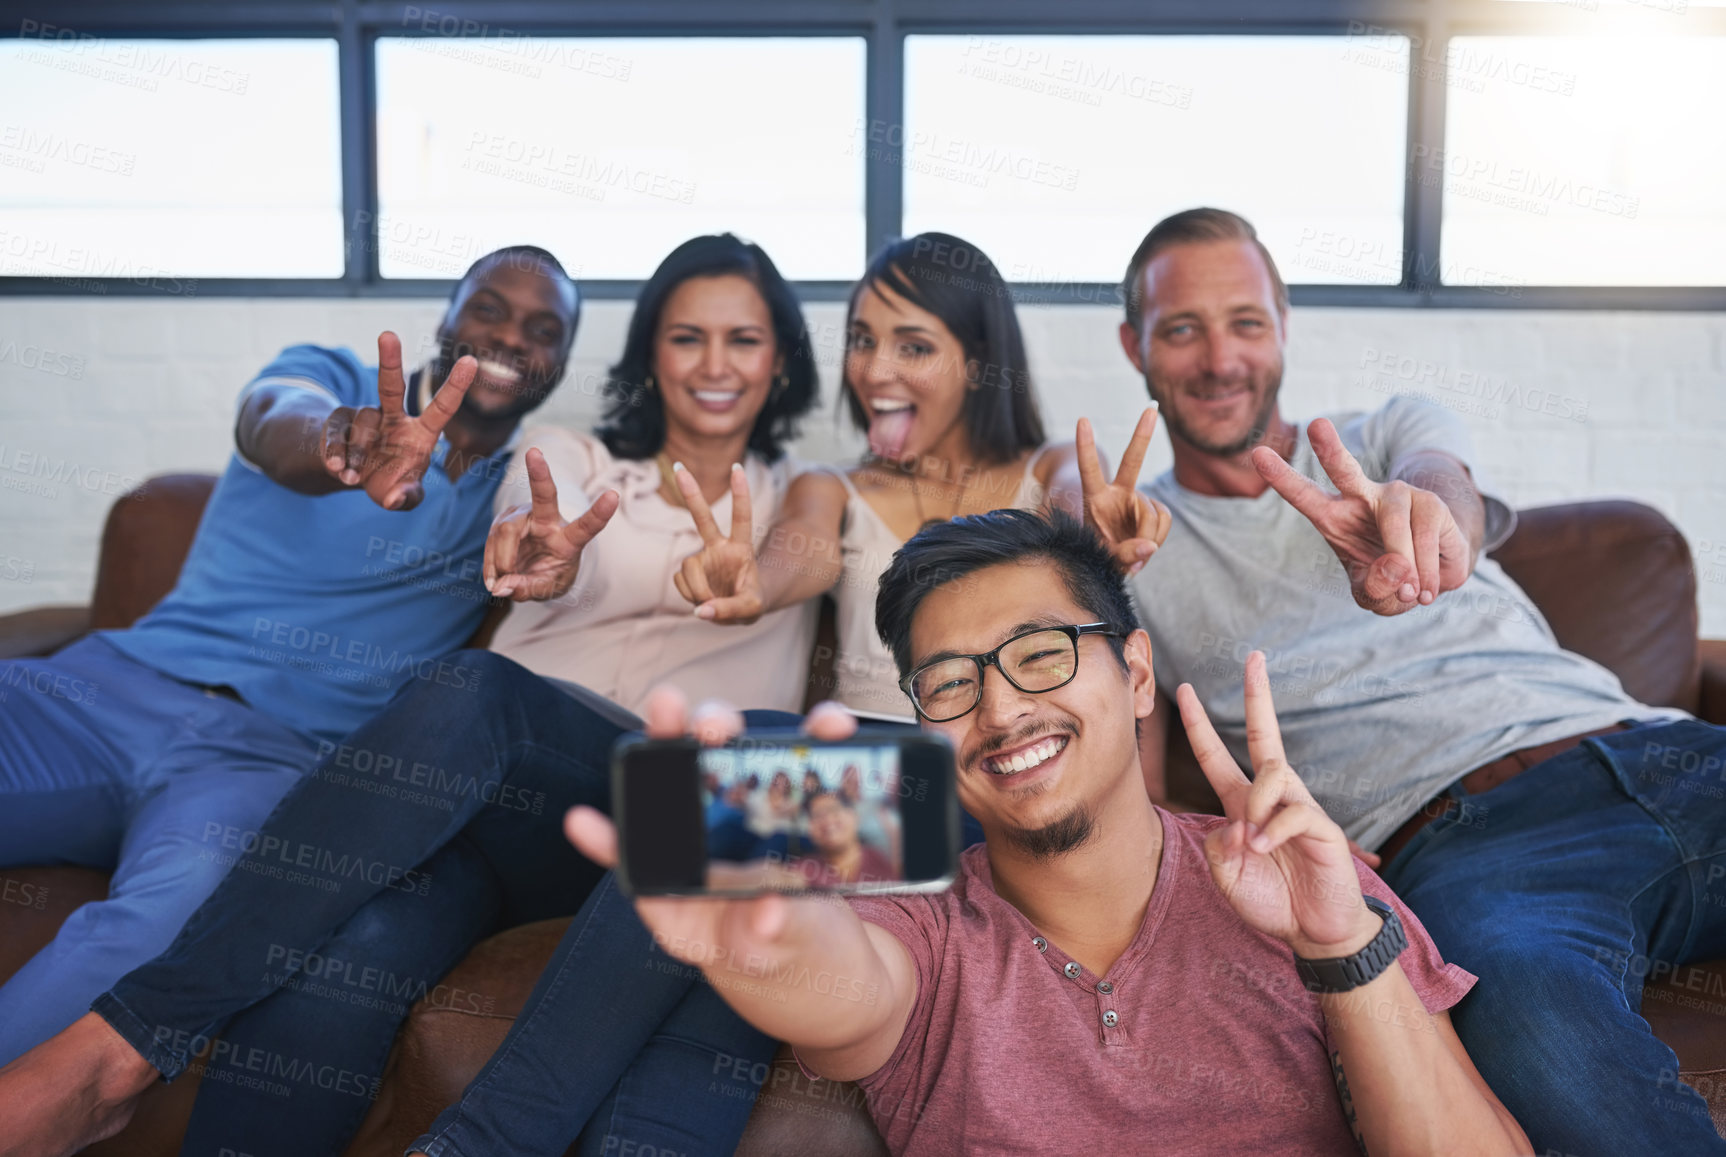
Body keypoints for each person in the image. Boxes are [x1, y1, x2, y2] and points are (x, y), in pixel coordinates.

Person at [0, 234, 819, 1157]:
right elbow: (309, 431)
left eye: (743, 339)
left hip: (564, 783)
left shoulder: (808, 490)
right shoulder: (552, 456)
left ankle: (115, 1050)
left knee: (715, 783)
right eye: (685, 337)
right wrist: (341, 442)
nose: (713, 363)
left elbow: (809, 548)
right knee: (356, 945)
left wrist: (755, 577)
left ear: (781, 357)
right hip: (154, 700)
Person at [566, 508, 1532, 1155]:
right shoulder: (928, 934)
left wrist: (1338, 946)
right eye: (951, 682)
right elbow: (846, 986)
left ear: (1137, 673)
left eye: (1041, 653)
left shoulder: (1307, 881)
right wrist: (764, 933)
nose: (1001, 708)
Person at [1112, 206, 1724, 1155]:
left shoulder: (1388, 432)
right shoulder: (1136, 540)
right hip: (1471, 844)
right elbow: (1062, 521)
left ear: (1283, 326)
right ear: (1134, 346)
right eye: (1181, 328)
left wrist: (1423, 523)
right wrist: (1083, 537)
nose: (1219, 358)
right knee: (1528, 1024)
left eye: (1246, 321)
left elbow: (1447, 488)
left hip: (1660, 750)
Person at [0, 244, 580, 1064]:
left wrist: (550, 557)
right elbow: (269, 418)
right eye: (489, 307)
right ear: (448, 316)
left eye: (543, 326)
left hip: (266, 766)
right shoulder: (330, 377)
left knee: (181, 920)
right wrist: (341, 438)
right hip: (107, 692)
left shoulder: (516, 489)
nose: (511, 335)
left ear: (560, 361)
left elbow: (554, 539)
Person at [673, 230, 1108, 723]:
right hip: (871, 751)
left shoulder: (1056, 466)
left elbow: (1076, 532)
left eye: (914, 347)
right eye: (862, 340)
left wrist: (1098, 546)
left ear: (977, 363)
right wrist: (755, 587)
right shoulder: (830, 488)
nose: (875, 370)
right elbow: (802, 546)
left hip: (1010, 743)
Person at [793, 788, 896, 886]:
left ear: (854, 816)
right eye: (817, 814)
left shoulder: (880, 862)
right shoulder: (805, 870)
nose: (827, 820)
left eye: (833, 810)